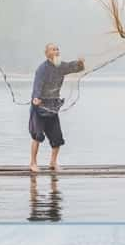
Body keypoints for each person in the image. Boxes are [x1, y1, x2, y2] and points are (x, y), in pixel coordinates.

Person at [29, 43, 84, 172]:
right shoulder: (42, 69)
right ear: (47, 53)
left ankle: (53, 163)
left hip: (53, 107)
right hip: (40, 106)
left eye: (58, 49)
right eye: (54, 49)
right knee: (37, 136)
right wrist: (36, 97)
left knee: (57, 138)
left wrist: (80, 63)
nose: (57, 51)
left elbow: (73, 67)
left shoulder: (60, 66)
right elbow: (37, 84)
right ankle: (33, 163)